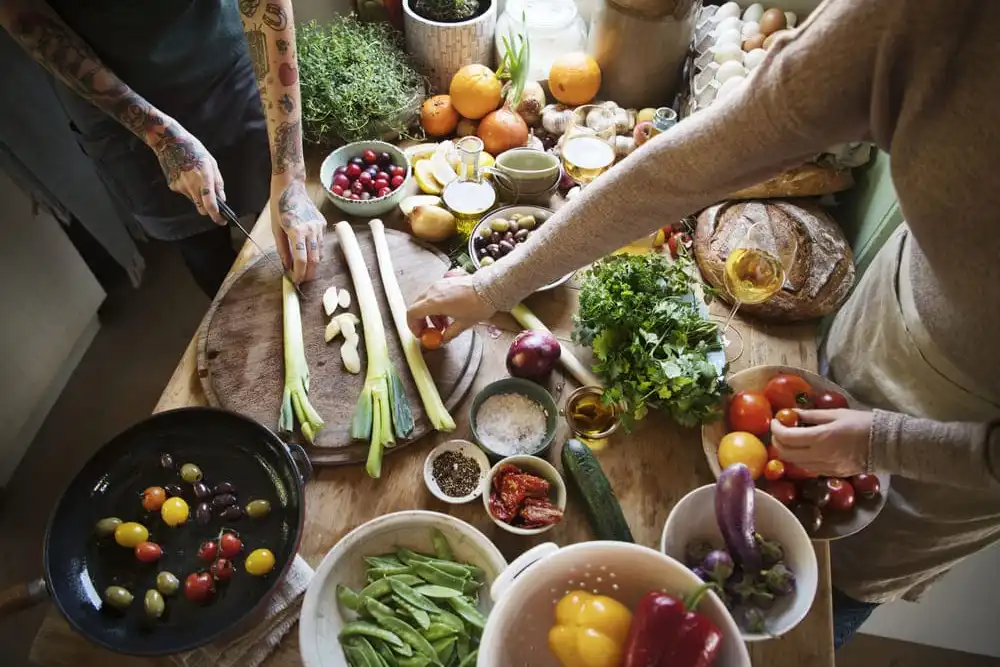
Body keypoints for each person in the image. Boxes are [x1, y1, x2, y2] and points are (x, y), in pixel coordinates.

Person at [407, 0, 1000, 650]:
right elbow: (688, 163)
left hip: (962, 456)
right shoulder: (935, 18)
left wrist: (889, 441)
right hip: (884, 320)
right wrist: (494, 284)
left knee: (811, 590)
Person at [0, 0, 325, 296]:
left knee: (276, 199)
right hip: (112, 103)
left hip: (220, 62)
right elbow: (26, 17)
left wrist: (291, 175)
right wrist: (158, 133)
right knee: (202, 248)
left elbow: (266, 8)